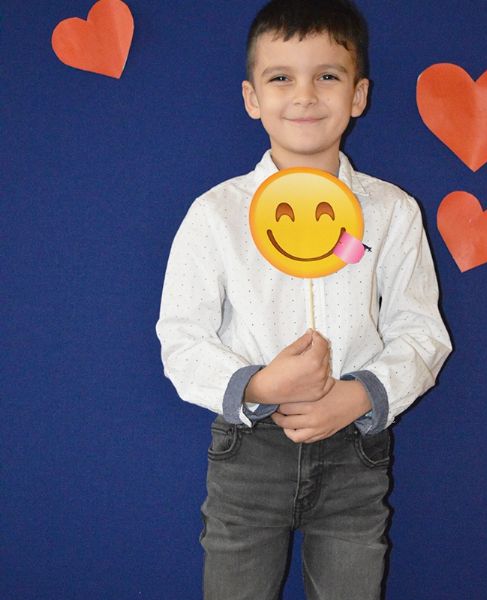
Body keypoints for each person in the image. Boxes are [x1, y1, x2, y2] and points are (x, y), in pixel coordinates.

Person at [156, 0, 452, 598]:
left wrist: (362, 395)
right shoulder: (216, 215)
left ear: (358, 95)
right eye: (281, 77)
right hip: (249, 451)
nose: (305, 95)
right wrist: (258, 386)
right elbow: (181, 339)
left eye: (328, 76)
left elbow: (421, 332)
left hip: (354, 453)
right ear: (251, 98)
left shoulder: (390, 212)